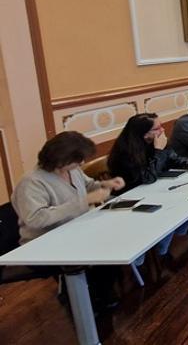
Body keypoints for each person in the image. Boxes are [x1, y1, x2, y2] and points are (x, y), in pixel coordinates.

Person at [12, 132, 126, 309]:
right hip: (44, 242)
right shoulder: (31, 182)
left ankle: (99, 294)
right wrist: (84, 201)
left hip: (74, 230)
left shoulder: (72, 170)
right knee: (103, 251)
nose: (82, 163)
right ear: (61, 159)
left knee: (115, 243)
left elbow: (88, 185)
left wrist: (106, 184)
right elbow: (36, 218)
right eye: (78, 159)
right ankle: (84, 298)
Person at [107, 114, 188, 266]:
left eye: (161, 126)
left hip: (154, 192)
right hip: (132, 201)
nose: (162, 130)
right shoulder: (125, 153)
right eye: (157, 128)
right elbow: (148, 178)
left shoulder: (155, 142)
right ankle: (160, 254)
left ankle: (165, 247)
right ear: (143, 133)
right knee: (172, 211)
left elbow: (174, 158)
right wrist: (158, 151)